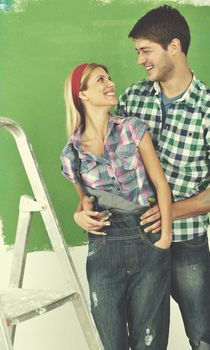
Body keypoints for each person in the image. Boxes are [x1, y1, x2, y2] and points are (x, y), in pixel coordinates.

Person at [115, 5, 210, 350]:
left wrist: (172, 210)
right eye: (137, 52)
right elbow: (105, 162)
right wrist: (85, 202)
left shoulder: (207, 110)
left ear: (174, 46)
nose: (140, 60)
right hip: (137, 244)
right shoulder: (131, 98)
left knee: (203, 336)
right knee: (146, 341)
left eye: (145, 50)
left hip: (187, 243)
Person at [60, 62, 172, 350]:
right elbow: (84, 202)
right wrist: (78, 216)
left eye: (109, 77)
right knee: (111, 344)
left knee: (151, 342)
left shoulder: (132, 128)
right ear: (82, 94)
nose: (110, 83)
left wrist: (165, 239)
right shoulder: (71, 153)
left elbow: (161, 185)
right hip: (103, 247)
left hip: (147, 239)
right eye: (100, 80)